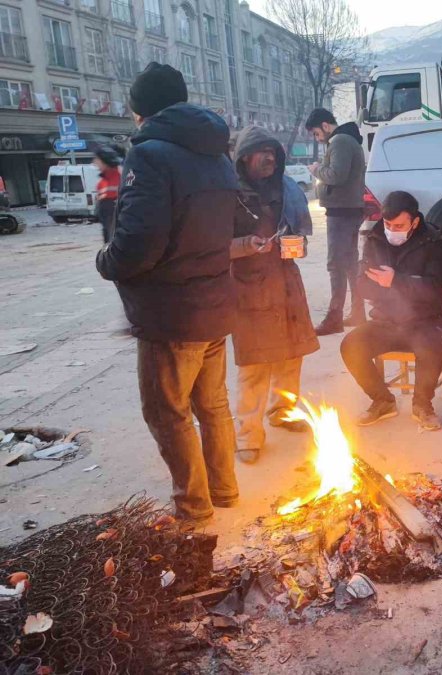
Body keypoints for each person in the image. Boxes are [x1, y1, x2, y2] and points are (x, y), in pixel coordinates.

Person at [96, 63, 240, 527]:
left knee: (168, 412)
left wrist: (106, 261)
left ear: (141, 111)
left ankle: (194, 508)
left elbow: (138, 244)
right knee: (213, 406)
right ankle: (224, 490)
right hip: (215, 304)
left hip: (171, 314)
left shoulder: (151, 155)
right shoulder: (216, 154)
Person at [230, 126, 320, 465]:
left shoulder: (287, 191)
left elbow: (300, 237)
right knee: (254, 365)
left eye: (273, 152)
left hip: (285, 285)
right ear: (244, 158)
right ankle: (248, 436)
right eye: (261, 152)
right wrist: (244, 245)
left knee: (289, 356)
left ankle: (282, 412)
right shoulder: (229, 195)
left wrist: (296, 246)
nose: (268, 157)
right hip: (249, 289)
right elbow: (211, 246)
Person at [340, 191, 442, 431]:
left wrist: (395, 281)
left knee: (430, 346)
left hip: (424, 320)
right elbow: (362, 285)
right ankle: (383, 400)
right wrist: (397, 287)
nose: (391, 230)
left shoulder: (433, 242)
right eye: (388, 224)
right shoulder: (375, 238)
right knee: (350, 345)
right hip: (385, 321)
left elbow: (434, 290)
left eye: (398, 225)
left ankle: (422, 404)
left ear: (415, 221)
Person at [305, 108, 367, 335]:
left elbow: (336, 175)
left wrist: (316, 169)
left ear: (324, 125)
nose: (317, 138)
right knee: (350, 263)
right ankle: (358, 312)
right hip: (349, 209)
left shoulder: (339, 140)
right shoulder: (348, 139)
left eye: (315, 133)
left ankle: (334, 318)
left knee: (336, 265)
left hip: (341, 212)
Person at [93, 146, 121, 243]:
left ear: (105, 161)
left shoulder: (120, 180)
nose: (95, 163)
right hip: (108, 235)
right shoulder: (101, 183)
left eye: (97, 160)